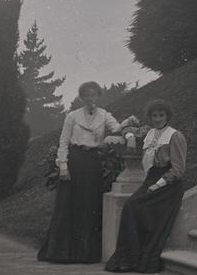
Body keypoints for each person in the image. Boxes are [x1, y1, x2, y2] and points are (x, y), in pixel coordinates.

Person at [39, 82, 137, 264]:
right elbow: (63, 142)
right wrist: (63, 167)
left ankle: (86, 254)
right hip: (75, 161)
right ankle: (63, 253)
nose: (90, 98)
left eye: (93, 95)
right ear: (81, 97)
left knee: (89, 206)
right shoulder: (72, 116)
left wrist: (130, 135)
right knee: (70, 205)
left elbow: (118, 128)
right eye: (86, 95)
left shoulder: (104, 115)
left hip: (93, 163)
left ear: (98, 96)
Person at [105, 99, 187, 273]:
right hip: (151, 179)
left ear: (167, 116)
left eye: (161, 115)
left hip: (168, 184)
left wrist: (158, 185)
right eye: (154, 115)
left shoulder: (175, 136)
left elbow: (178, 169)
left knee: (134, 206)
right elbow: (124, 129)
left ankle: (139, 258)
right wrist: (130, 135)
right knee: (130, 207)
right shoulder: (149, 133)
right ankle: (128, 259)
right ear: (150, 117)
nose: (157, 119)